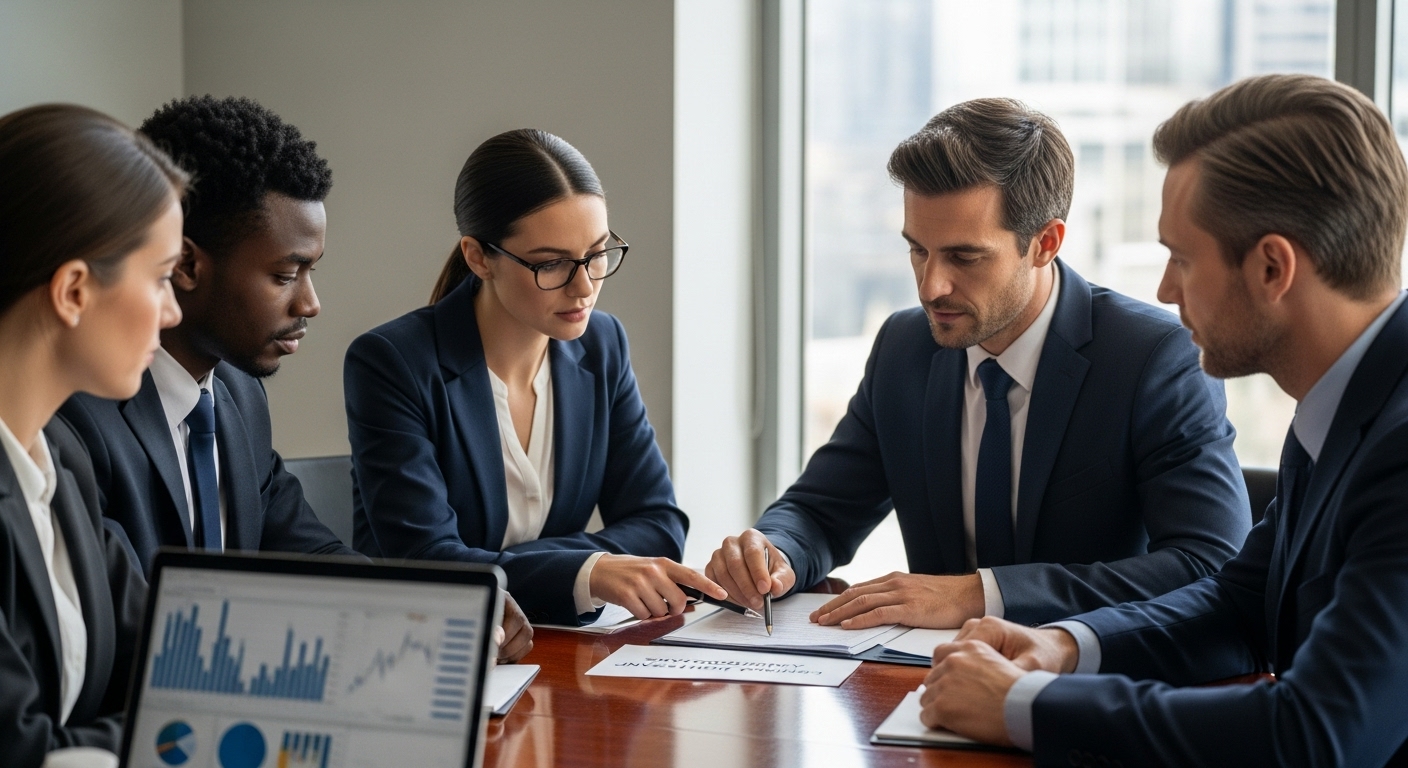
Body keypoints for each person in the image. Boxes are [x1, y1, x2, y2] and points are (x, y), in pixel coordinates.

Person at [918, 74, 1408, 767]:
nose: (1165, 290)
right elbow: (1242, 604)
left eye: (1181, 257)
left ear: (1272, 267)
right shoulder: (1346, 403)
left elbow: (1318, 733)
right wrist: (1065, 645)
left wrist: (1024, 707)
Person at [707, 98, 1250, 630]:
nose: (930, 286)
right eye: (918, 250)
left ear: (1045, 243)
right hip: (926, 682)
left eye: (964, 257)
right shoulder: (904, 347)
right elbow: (821, 511)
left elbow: (1209, 563)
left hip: (1093, 685)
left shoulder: (1153, 359)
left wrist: (983, 593)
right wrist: (773, 551)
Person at [55, 96, 531, 661]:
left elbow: (306, 552)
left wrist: (440, 609)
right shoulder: (78, 417)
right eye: (285, 274)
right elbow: (136, 632)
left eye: (311, 270)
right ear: (183, 266)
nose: (310, 303)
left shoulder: (236, 396)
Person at [345, 128, 729, 626]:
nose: (585, 287)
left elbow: (658, 524)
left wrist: (565, 568)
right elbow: (428, 561)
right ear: (478, 256)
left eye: (596, 254)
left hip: (554, 645)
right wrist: (587, 572)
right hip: (427, 647)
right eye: (552, 264)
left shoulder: (602, 345)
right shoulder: (392, 362)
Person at [0, 103, 184, 767]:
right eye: (162, 278)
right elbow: (23, 752)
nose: (173, 312)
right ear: (75, 289)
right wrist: (194, 734)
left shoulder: (61, 459)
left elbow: (165, 658)